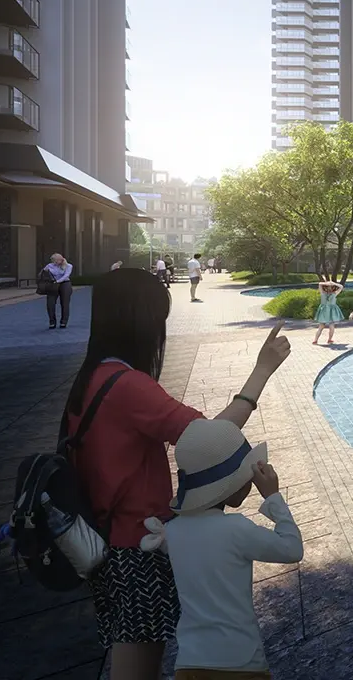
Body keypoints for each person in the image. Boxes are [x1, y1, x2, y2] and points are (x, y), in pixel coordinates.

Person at [63, 269, 290, 680]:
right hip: (137, 546)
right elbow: (210, 439)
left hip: (110, 538)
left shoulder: (92, 377)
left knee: (131, 655)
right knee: (136, 667)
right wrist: (262, 371)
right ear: (140, 320)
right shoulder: (127, 385)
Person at [147, 419, 303, 680]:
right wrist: (273, 497)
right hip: (241, 663)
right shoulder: (236, 529)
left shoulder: (171, 532)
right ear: (231, 485)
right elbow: (292, 549)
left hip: (189, 665)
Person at [42, 253, 74, 329]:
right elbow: (43, 274)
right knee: (50, 303)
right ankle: (52, 322)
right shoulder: (49, 265)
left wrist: (58, 281)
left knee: (65, 303)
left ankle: (63, 322)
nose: (54, 263)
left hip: (65, 283)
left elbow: (66, 276)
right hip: (53, 284)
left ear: (60, 260)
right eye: (53, 261)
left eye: (55, 261)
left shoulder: (69, 266)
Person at [312, 280, 345, 345]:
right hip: (331, 312)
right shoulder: (334, 293)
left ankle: (315, 340)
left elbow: (320, 284)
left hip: (323, 311)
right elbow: (341, 286)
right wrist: (333, 283)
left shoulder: (322, 293)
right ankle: (329, 339)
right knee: (331, 325)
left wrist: (327, 283)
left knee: (321, 326)